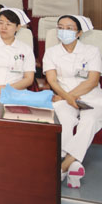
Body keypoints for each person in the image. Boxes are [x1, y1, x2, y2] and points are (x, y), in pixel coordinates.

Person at [44, 15, 102, 188]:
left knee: (89, 120)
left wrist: (66, 96)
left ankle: (63, 165)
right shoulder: (52, 52)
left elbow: (92, 81)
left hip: (90, 96)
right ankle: (73, 165)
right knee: (65, 120)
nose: (64, 31)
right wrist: (67, 98)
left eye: (69, 28)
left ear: (79, 33)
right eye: (60, 27)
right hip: (63, 96)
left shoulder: (91, 51)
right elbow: (52, 81)